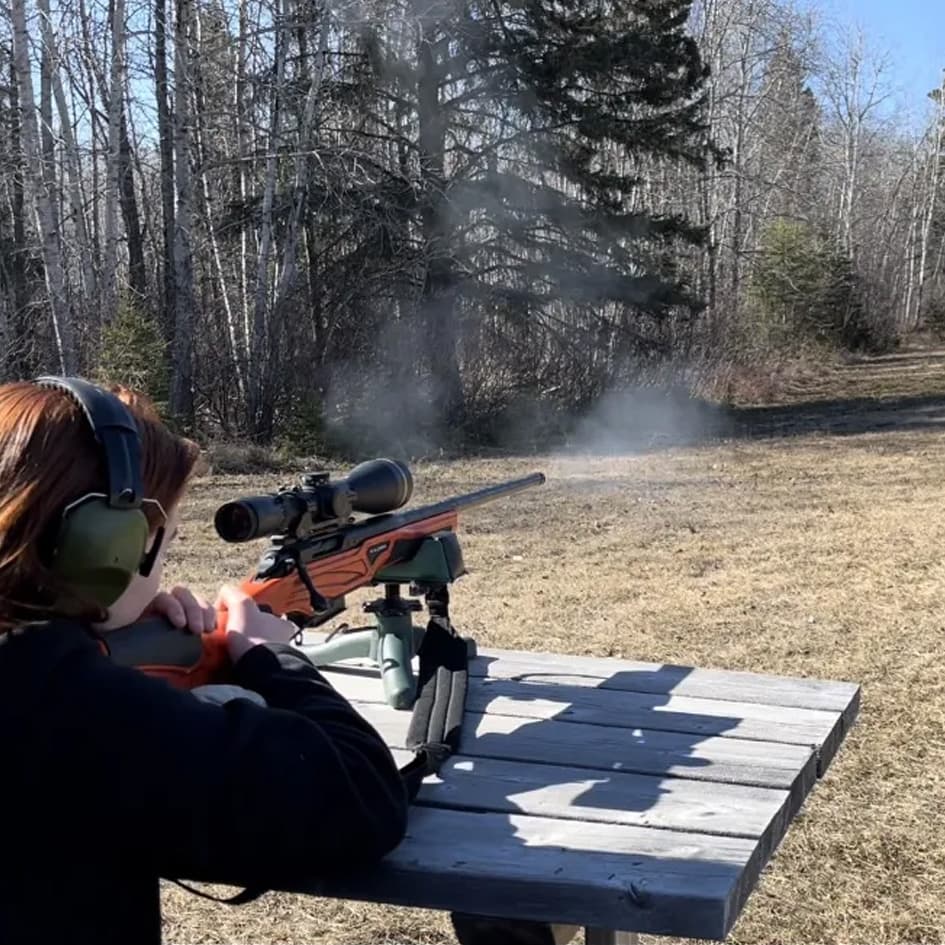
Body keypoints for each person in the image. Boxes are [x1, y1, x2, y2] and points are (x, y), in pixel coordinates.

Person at [0, 377, 409, 945]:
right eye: (160, 546)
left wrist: (117, 636)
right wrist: (272, 657)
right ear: (102, 551)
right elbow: (361, 796)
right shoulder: (76, 711)